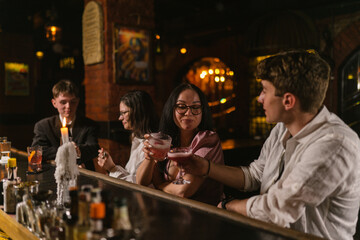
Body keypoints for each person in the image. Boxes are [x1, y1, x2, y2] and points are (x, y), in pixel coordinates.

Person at [178, 50, 360, 240]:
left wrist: (228, 206)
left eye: (264, 90)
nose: (259, 98)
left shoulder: (334, 144)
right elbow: (255, 176)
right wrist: (205, 167)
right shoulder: (282, 128)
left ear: (288, 101)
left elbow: (278, 207)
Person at [136, 83, 224, 206]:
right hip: (170, 212)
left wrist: (160, 186)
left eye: (195, 107)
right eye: (182, 106)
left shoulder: (207, 139)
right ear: (171, 109)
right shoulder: (166, 140)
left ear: (202, 111)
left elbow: (184, 190)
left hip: (203, 215)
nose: (188, 113)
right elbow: (141, 182)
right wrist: (149, 157)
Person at [31, 79, 100, 170]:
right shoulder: (43, 126)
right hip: (54, 174)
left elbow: (94, 148)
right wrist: (66, 150)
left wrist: (78, 150)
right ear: (54, 103)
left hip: (84, 174)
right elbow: (36, 151)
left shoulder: (89, 125)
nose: (68, 106)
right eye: (63, 102)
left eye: (73, 102)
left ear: (78, 101)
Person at [97, 90, 158, 183]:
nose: (120, 118)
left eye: (124, 113)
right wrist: (111, 167)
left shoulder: (152, 144)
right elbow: (131, 174)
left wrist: (112, 168)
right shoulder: (136, 137)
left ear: (138, 112)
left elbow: (138, 183)